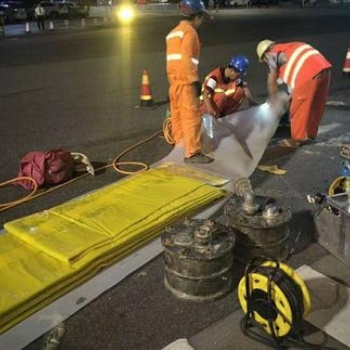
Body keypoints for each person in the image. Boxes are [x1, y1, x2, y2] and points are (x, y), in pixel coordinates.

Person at [257, 39, 332, 148]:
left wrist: (275, 102)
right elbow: (293, 78)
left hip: (308, 73)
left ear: (264, 55)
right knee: (316, 105)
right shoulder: (290, 47)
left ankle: (296, 139)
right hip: (324, 69)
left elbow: (271, 82)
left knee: (298, 107)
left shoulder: (270, 55)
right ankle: (310, 135)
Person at [166, 0, 213, 164]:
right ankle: (192, 153)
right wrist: (194, 82)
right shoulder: (190, 32)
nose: (201, 22)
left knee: (177, 117)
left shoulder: (173, 33)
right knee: (191, 117)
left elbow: (172, 61)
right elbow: (186, 59)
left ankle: (180, 146)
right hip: (186, 84)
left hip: (174, 84)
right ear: (197, 15)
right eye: (201, 18)